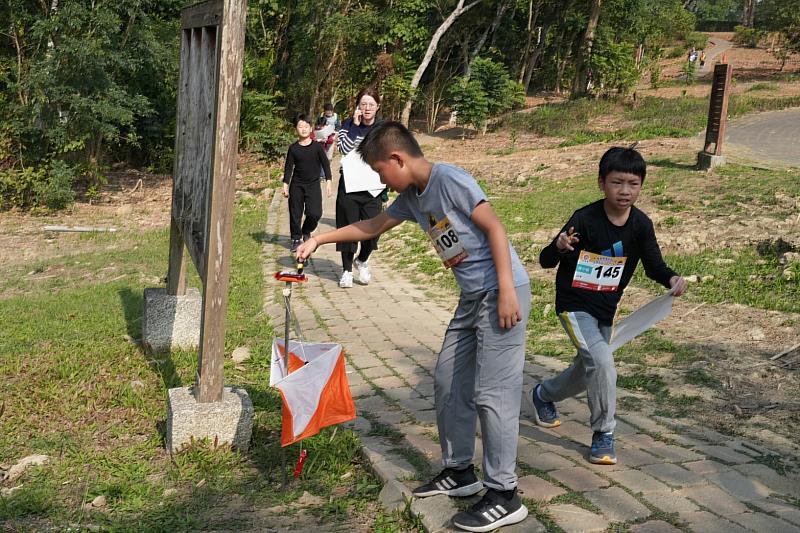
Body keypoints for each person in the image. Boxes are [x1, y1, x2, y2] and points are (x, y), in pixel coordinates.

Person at [296, 121, 531, 532]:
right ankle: (460, 471)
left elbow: (495, 227)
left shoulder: (450, 180)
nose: (380, 180)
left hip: (501, 292)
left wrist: (508, 289)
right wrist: (321, 240)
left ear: (397, 159)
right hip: (471, 297)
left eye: (380, 171)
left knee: (492, 393)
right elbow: (373, 226)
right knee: (447, 380)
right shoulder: (411, 197)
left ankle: (504, 494)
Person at [527, 147, 688, 465]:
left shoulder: (641, 225)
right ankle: (604, 434)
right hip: (573, 306)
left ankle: (542, 394)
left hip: (605, 310)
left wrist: (671, 280)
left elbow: (655, 266)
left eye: (633, 183)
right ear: (602, 182)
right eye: (617, 182)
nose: (625, 191)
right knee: (602, 364)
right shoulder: (584, 219)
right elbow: (546, 260)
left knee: (586, 372)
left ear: (641, 185)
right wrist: (558, 247)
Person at [335, 87, 385, 288]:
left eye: (371, 104)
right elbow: (344, 149)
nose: (367, 108)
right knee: (348, 228)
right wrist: (354, 126)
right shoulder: (347, 125)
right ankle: (346, 271)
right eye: (363, 104)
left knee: (375, 228)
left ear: (377, 107)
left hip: (373, 187)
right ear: (357, 106)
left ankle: (362, 259)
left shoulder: (382, 128)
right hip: (349, 185)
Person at [282, 114, 332, 252]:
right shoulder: (293, 148)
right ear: (296, 129)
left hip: (313, 185)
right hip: (296, 185)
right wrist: (285, 184)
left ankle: (306, 230)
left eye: (306, 126)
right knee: (295, 213)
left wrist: (328, 181)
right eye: (300, 126)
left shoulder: (316, 147)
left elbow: (326, 164)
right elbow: (288, 168)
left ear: (311, 129)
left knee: (315, 213)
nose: (303, 129)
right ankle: (296, 238)